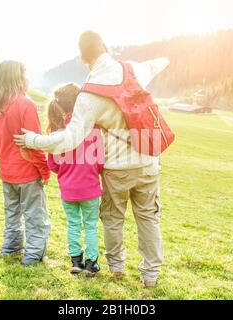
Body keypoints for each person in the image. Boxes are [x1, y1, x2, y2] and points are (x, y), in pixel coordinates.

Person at [14, 31, 170, 288]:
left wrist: (33, 140)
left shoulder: (90, 93)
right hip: (149, 161)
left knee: (113, 219)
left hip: (117, 168)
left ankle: (117, 268)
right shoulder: (134, 69)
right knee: (149, 219)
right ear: (105, 47)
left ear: (84, 59)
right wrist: (167, 58)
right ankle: (151, 275)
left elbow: (69, 140)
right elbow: (156, 64)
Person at [0, 60, 51, 266]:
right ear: (20, 77)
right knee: (35, 216)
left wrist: (4, 159)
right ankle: (33, 255)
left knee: (12, 213)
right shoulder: (26, 104)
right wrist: (45, 170)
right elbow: (35, 142)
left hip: (7, 170)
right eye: (26, 73)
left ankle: (10, 247)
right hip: (27, 171)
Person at [46, 84, 104, 277]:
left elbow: (53, 165)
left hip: (68, 190)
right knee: (90, 225)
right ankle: (91, 263)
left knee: (72, 223)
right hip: (90, 188)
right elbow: (100, 161)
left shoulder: (57, 132)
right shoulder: (92, 128)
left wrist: (66, 172)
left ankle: (76, 261)